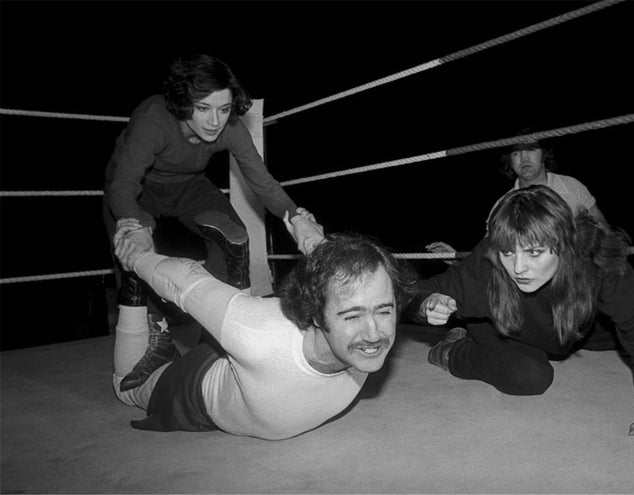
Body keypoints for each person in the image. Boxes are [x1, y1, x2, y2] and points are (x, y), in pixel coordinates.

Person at [412, 185, 634, 449]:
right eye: (508, 253)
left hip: (562, 325)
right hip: (500, 325)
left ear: (565, 245)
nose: (518, 268)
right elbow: (416, 292)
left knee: (614, 336)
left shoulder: (597, 257)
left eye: (534, 252)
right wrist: (426, 304)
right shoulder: (487, 266)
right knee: (530, 377)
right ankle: (453, 352)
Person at [102, 54, 325, 389]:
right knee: (133, 252)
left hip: (188, 186)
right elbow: (123, 185)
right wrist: (133, 224)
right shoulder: (154, 118)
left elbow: (262, 182)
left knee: (235, 236)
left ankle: (217, 330)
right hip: (137, 191)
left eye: (223, 108)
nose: (215, 121)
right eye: (203, 108)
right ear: (181, 102)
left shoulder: (230, 126)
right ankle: (156, 334)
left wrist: (298, 219)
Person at [111, 223, 418, 439]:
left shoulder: (361, 343)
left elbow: (349, 286)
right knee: (126, 387)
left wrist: (316, 241)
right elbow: (186, 281)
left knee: (234, 333)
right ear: (314, 313)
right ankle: (134, 289)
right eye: (353, 316)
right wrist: (136, 258)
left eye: (384, 310)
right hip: (194, 392)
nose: (374, 332)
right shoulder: (258, 333)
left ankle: (237, 276)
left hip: (243, 367)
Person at [426, 135, 605, 262]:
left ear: (544, 153)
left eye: (531, 149)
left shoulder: (572, 186)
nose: (524, 158)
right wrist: (457, 258)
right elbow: (487, 255)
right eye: (516, 153)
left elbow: (604, 231)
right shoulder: (503, 204)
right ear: (509, 161)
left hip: (579, 282)